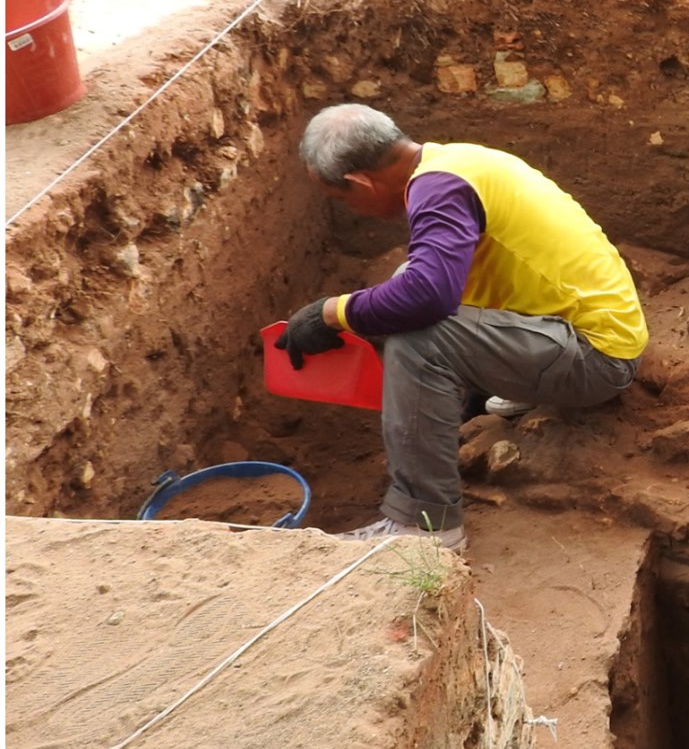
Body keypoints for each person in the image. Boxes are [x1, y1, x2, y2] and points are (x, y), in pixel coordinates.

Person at [276, 104, 648, 550]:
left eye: (343, 199)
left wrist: (331, 313)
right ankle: (490, 386)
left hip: (597, 359)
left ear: (360, 182)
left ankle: (426, 525)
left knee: (418, 335)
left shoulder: (439, 191)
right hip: (586, 326)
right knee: (405, 283)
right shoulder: (455, 162)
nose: (352, 209)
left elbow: (428, 298)